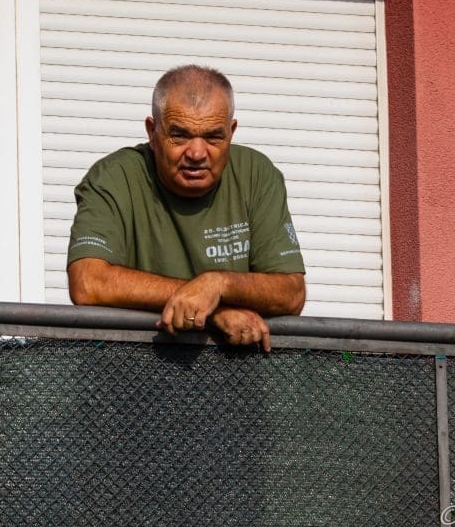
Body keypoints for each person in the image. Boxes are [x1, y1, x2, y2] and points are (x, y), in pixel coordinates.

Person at [66, 65, 305, 351]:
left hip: (235, 372)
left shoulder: (257, 174)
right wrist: (211, 308)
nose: (196, 153)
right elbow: (88, 283)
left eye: (213, 137)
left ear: (231, 132)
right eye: (179, 135)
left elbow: (291, 293)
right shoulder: (113, 177)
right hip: (129, 370)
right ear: (152, 131)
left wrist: (218, 285)